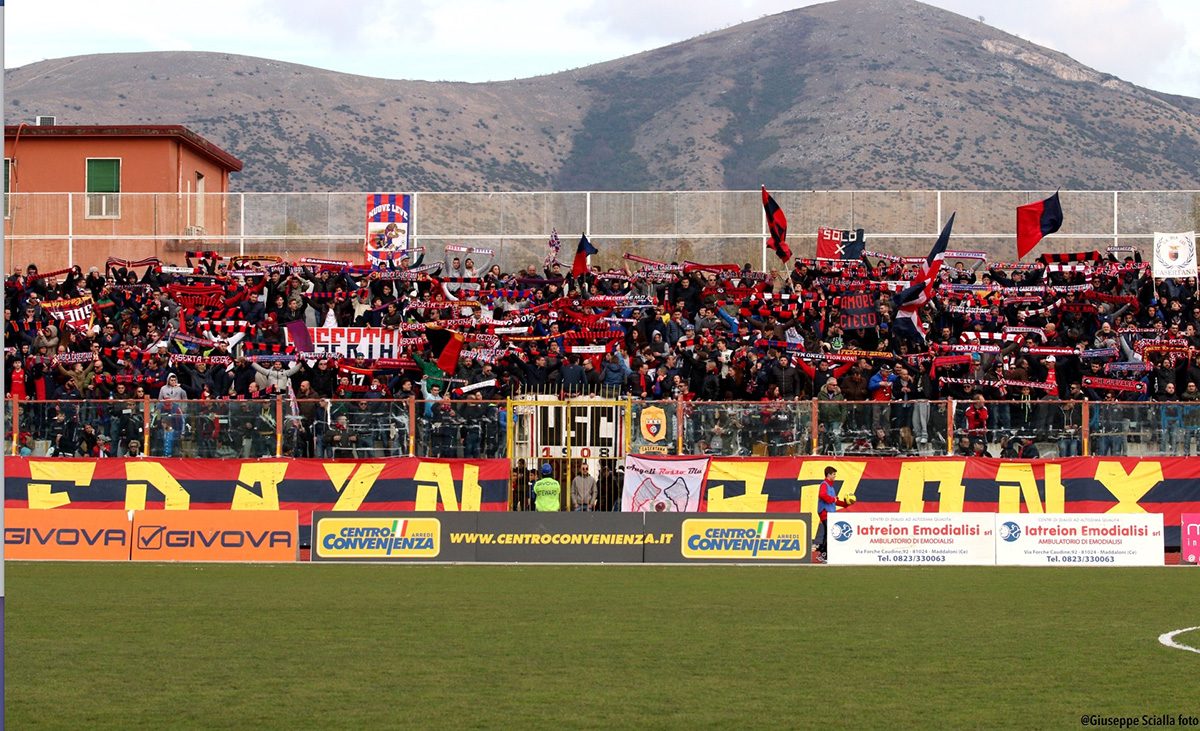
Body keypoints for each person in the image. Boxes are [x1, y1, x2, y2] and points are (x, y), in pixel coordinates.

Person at [815, 466, 855, 563]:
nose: (835, 476)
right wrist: (832, 499)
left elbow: (835, 501)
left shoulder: (831, 487)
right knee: (830, 533)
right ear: (828, 474)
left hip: (830, 513)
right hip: (825, 512)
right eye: (833, 474)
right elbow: (822, 495)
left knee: (828, 533)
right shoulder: (824, 484)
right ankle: (823, 553)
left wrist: (845, 504)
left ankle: (822, 550)